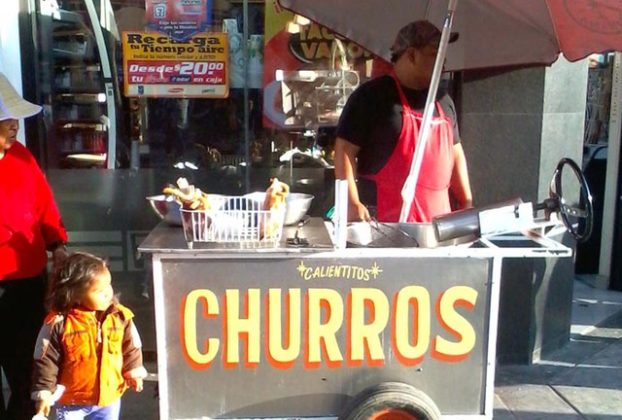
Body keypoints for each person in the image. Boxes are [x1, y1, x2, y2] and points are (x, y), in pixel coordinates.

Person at [334, 20, 473, 222]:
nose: (443, 61)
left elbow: (456, 152)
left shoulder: (444, 100)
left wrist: (466, 201)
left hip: (438, 228)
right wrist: (352, 202)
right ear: (411, 55)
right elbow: (344, 150)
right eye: (435, 54)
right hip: (385, 227)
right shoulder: (371, 97)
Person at [0, 73, 68, 420]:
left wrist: (57, 243)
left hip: (25, 283)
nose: (15, 125)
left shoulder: (22, 158)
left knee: (29, 373)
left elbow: (44, 206)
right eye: (6, 119)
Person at [31, 252, 147, 420]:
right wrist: (44, 394)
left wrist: (133, 371)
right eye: (99, 291)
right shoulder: (58, 324)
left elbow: (132, 346)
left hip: (109, 399)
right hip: (71, 402)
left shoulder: (120, 316)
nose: (108, 293)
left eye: (109, 285)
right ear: (75, 293)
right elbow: (45, 361)